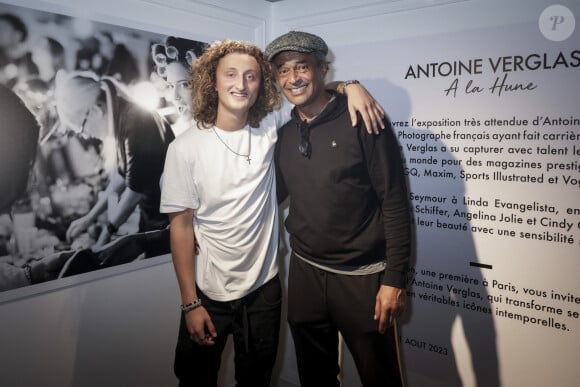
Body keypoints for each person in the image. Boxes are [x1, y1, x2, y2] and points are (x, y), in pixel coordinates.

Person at [159, 39, 385, 387]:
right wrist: (190, 304)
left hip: (264, 292)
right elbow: (181, 228)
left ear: (261, 83)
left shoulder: (271, 126)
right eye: (231, 74)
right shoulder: (184, 148)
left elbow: (306, 91)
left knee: (257, 381)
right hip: (208, 294)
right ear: (212, 81)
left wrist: (350, 87)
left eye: (251, 76)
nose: (241, 84)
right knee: (194, 380)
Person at [266, 31, 412, 387]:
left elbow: (394, 202)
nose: (293, 78)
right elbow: (269, 196)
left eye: (302, 66)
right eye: (283, 71)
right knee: (314, 376)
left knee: (380, 377)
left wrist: (394, 281)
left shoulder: (364, 120)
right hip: (305, 274)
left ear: (323, 70)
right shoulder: (284, 135)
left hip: (362, 278)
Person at [54, 70, 174, 255]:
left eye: (81, 128)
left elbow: (134, 192)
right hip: (154, 220)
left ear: (95, 111)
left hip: (168, 223)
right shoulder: (123, 117)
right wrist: (89, 217)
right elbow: (121, 177)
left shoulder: (136, 123)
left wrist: (104, 238)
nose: (85, 135)